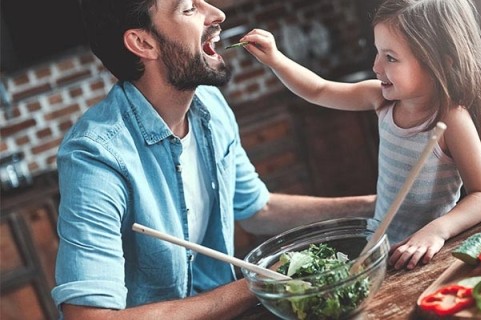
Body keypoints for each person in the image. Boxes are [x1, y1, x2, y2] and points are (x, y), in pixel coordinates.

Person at [52, 0, 376, 319]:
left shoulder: (209, 104)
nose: (217, 14)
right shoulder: (96, 156)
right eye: (189, 8)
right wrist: (259, 283)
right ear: (143, 42)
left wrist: (377, 205)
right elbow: (88, 316)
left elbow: (258, 210)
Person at [241, 0, 481, 271]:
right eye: (377, 52)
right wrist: (276, 60)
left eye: (391, 57)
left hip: (427, 254)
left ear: (439, 64)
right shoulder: (381, 99)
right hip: (381, 246)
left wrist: (436, 232)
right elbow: (319, 90)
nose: (376, 66)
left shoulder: (450, 118)